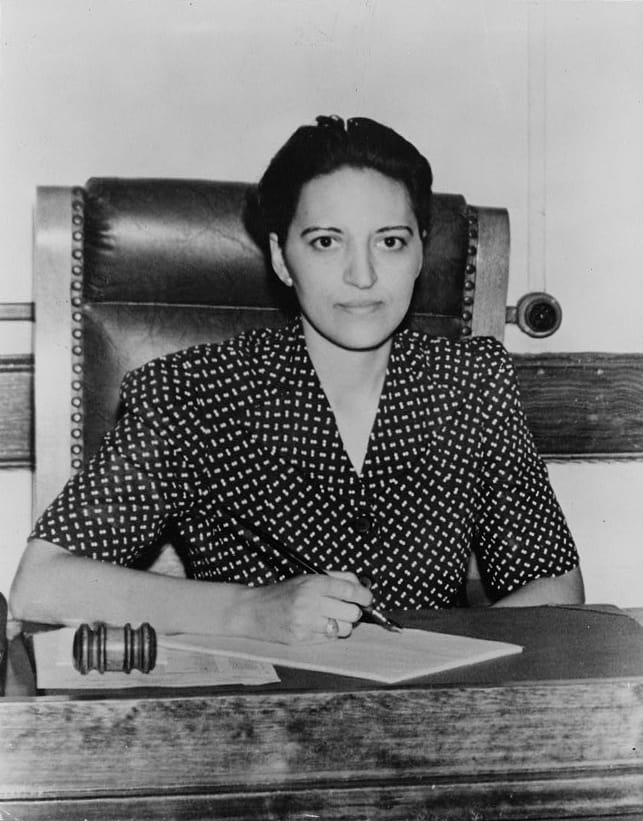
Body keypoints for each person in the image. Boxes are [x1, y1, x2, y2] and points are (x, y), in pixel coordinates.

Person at [10, 115, 584, 644]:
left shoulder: (470, 384)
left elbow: (555, 592)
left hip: (430, 726)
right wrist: (248, 611)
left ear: (419, 255)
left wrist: (434, 668)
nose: (362, 276)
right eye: (326, 242)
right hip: (253, 726)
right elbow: (45, 581)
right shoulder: (194, 392)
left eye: (389, 241)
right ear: (283, 259)